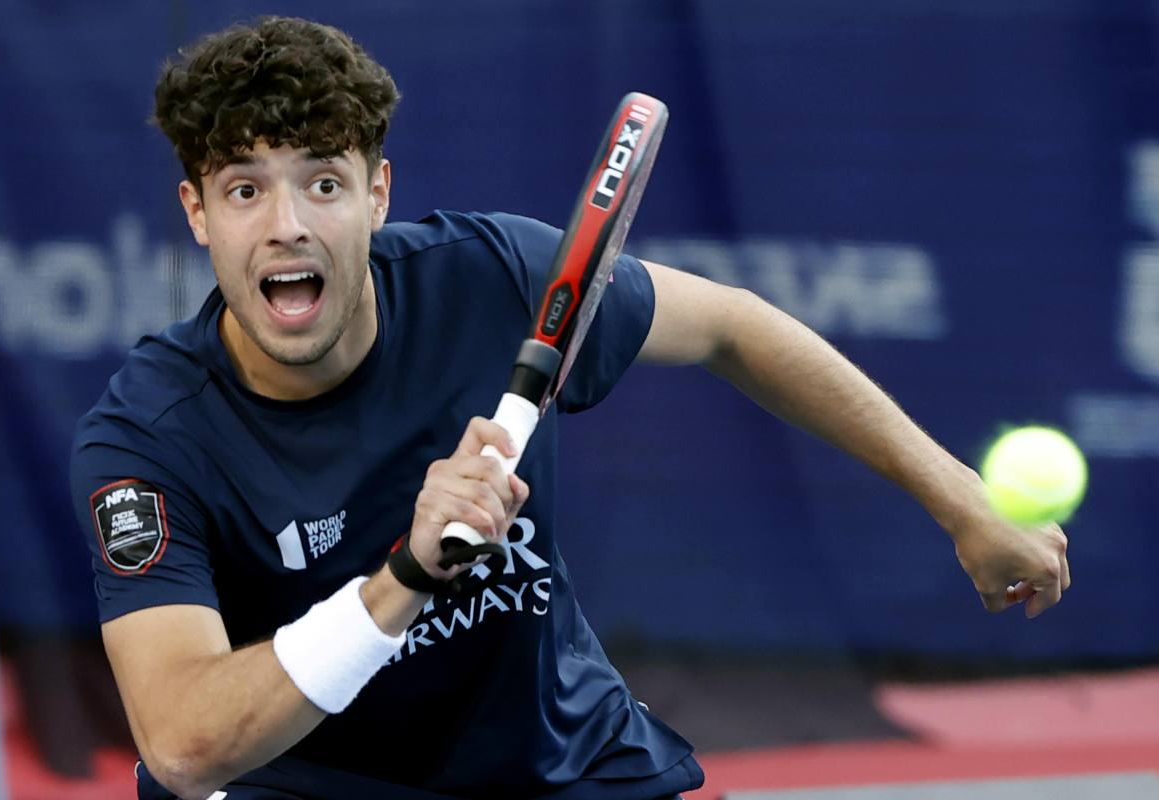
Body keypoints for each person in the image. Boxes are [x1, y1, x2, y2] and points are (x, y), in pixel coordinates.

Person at [69, 16, 1070, 800]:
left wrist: (962, 498)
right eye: (245, 190)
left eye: (322, 182)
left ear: (376, 194)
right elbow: (185, 744)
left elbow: (733, 324)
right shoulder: (150, 437)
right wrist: (406, 575)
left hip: (559, 761)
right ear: (197, 213)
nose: (287, 225)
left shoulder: (493, 275)